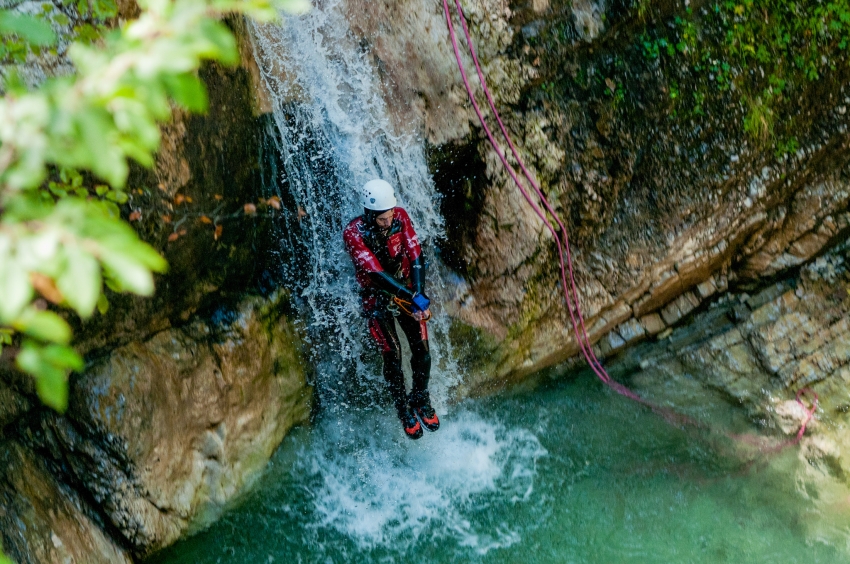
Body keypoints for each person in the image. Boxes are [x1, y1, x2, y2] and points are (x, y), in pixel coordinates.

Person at [343, 179, 440, 439]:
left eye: (390, 217)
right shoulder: (354, 233)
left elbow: (415, 254)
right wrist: (412, 296)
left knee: (423, 351)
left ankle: (421, 397)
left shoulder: (400, 216)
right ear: (369, 214)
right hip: (375, 296)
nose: (388, 222)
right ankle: (403, 408)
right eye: (383, 220)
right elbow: (376, 274)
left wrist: (418, 293)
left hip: (406, 288)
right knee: (393, 353)